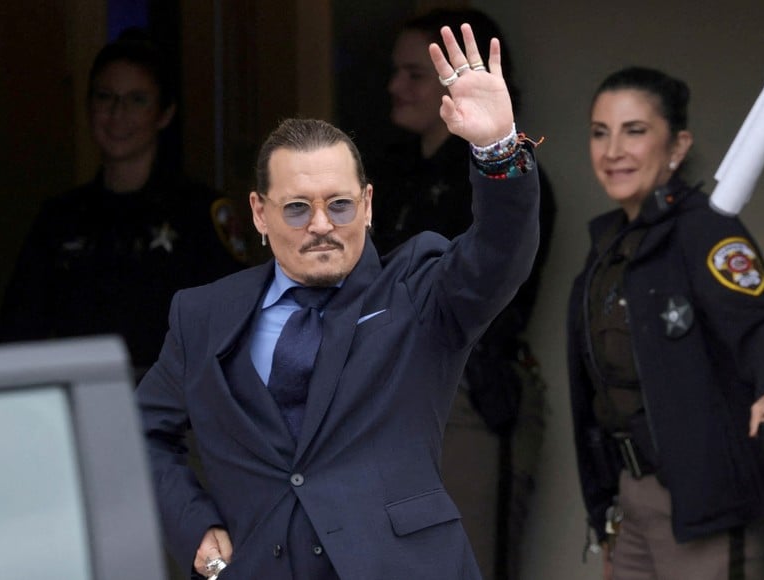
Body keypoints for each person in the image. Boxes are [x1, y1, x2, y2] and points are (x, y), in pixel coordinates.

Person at [136, 22, 540, 580]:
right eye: (297, 208)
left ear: (369, 204)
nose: (321, 225)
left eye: (341, 205)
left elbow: (500, 254)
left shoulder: (418, 291)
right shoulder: (203, 313)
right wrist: (194, 526)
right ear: (259, 213)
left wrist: (498, 150)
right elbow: (141, 432)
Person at [566, 66, 764, 579]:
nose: (613, 151)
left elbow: (763, 324)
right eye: (600, 132)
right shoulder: (607, 249)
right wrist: (606, 505)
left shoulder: (704, 230)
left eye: (635, 130)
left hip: (707, 497)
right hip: (631, 501)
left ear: (677, 145)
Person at [367, 9, 556, 578]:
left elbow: (496, 259)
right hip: (378, 392)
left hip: (466, 391)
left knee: (458, 560)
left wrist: (495, 148)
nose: (396, 87)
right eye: (395, 72)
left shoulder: (507, 170)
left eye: (414, 74)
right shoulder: (384, 170)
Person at [0, 30, 245, 379]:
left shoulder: (198, 213)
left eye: (137, 99)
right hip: (81, 408)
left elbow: (235, 336)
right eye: (105, 97)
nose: (117, 113)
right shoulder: (60, 218)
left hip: (176, 419)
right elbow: (17, 335)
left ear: (165, 113)